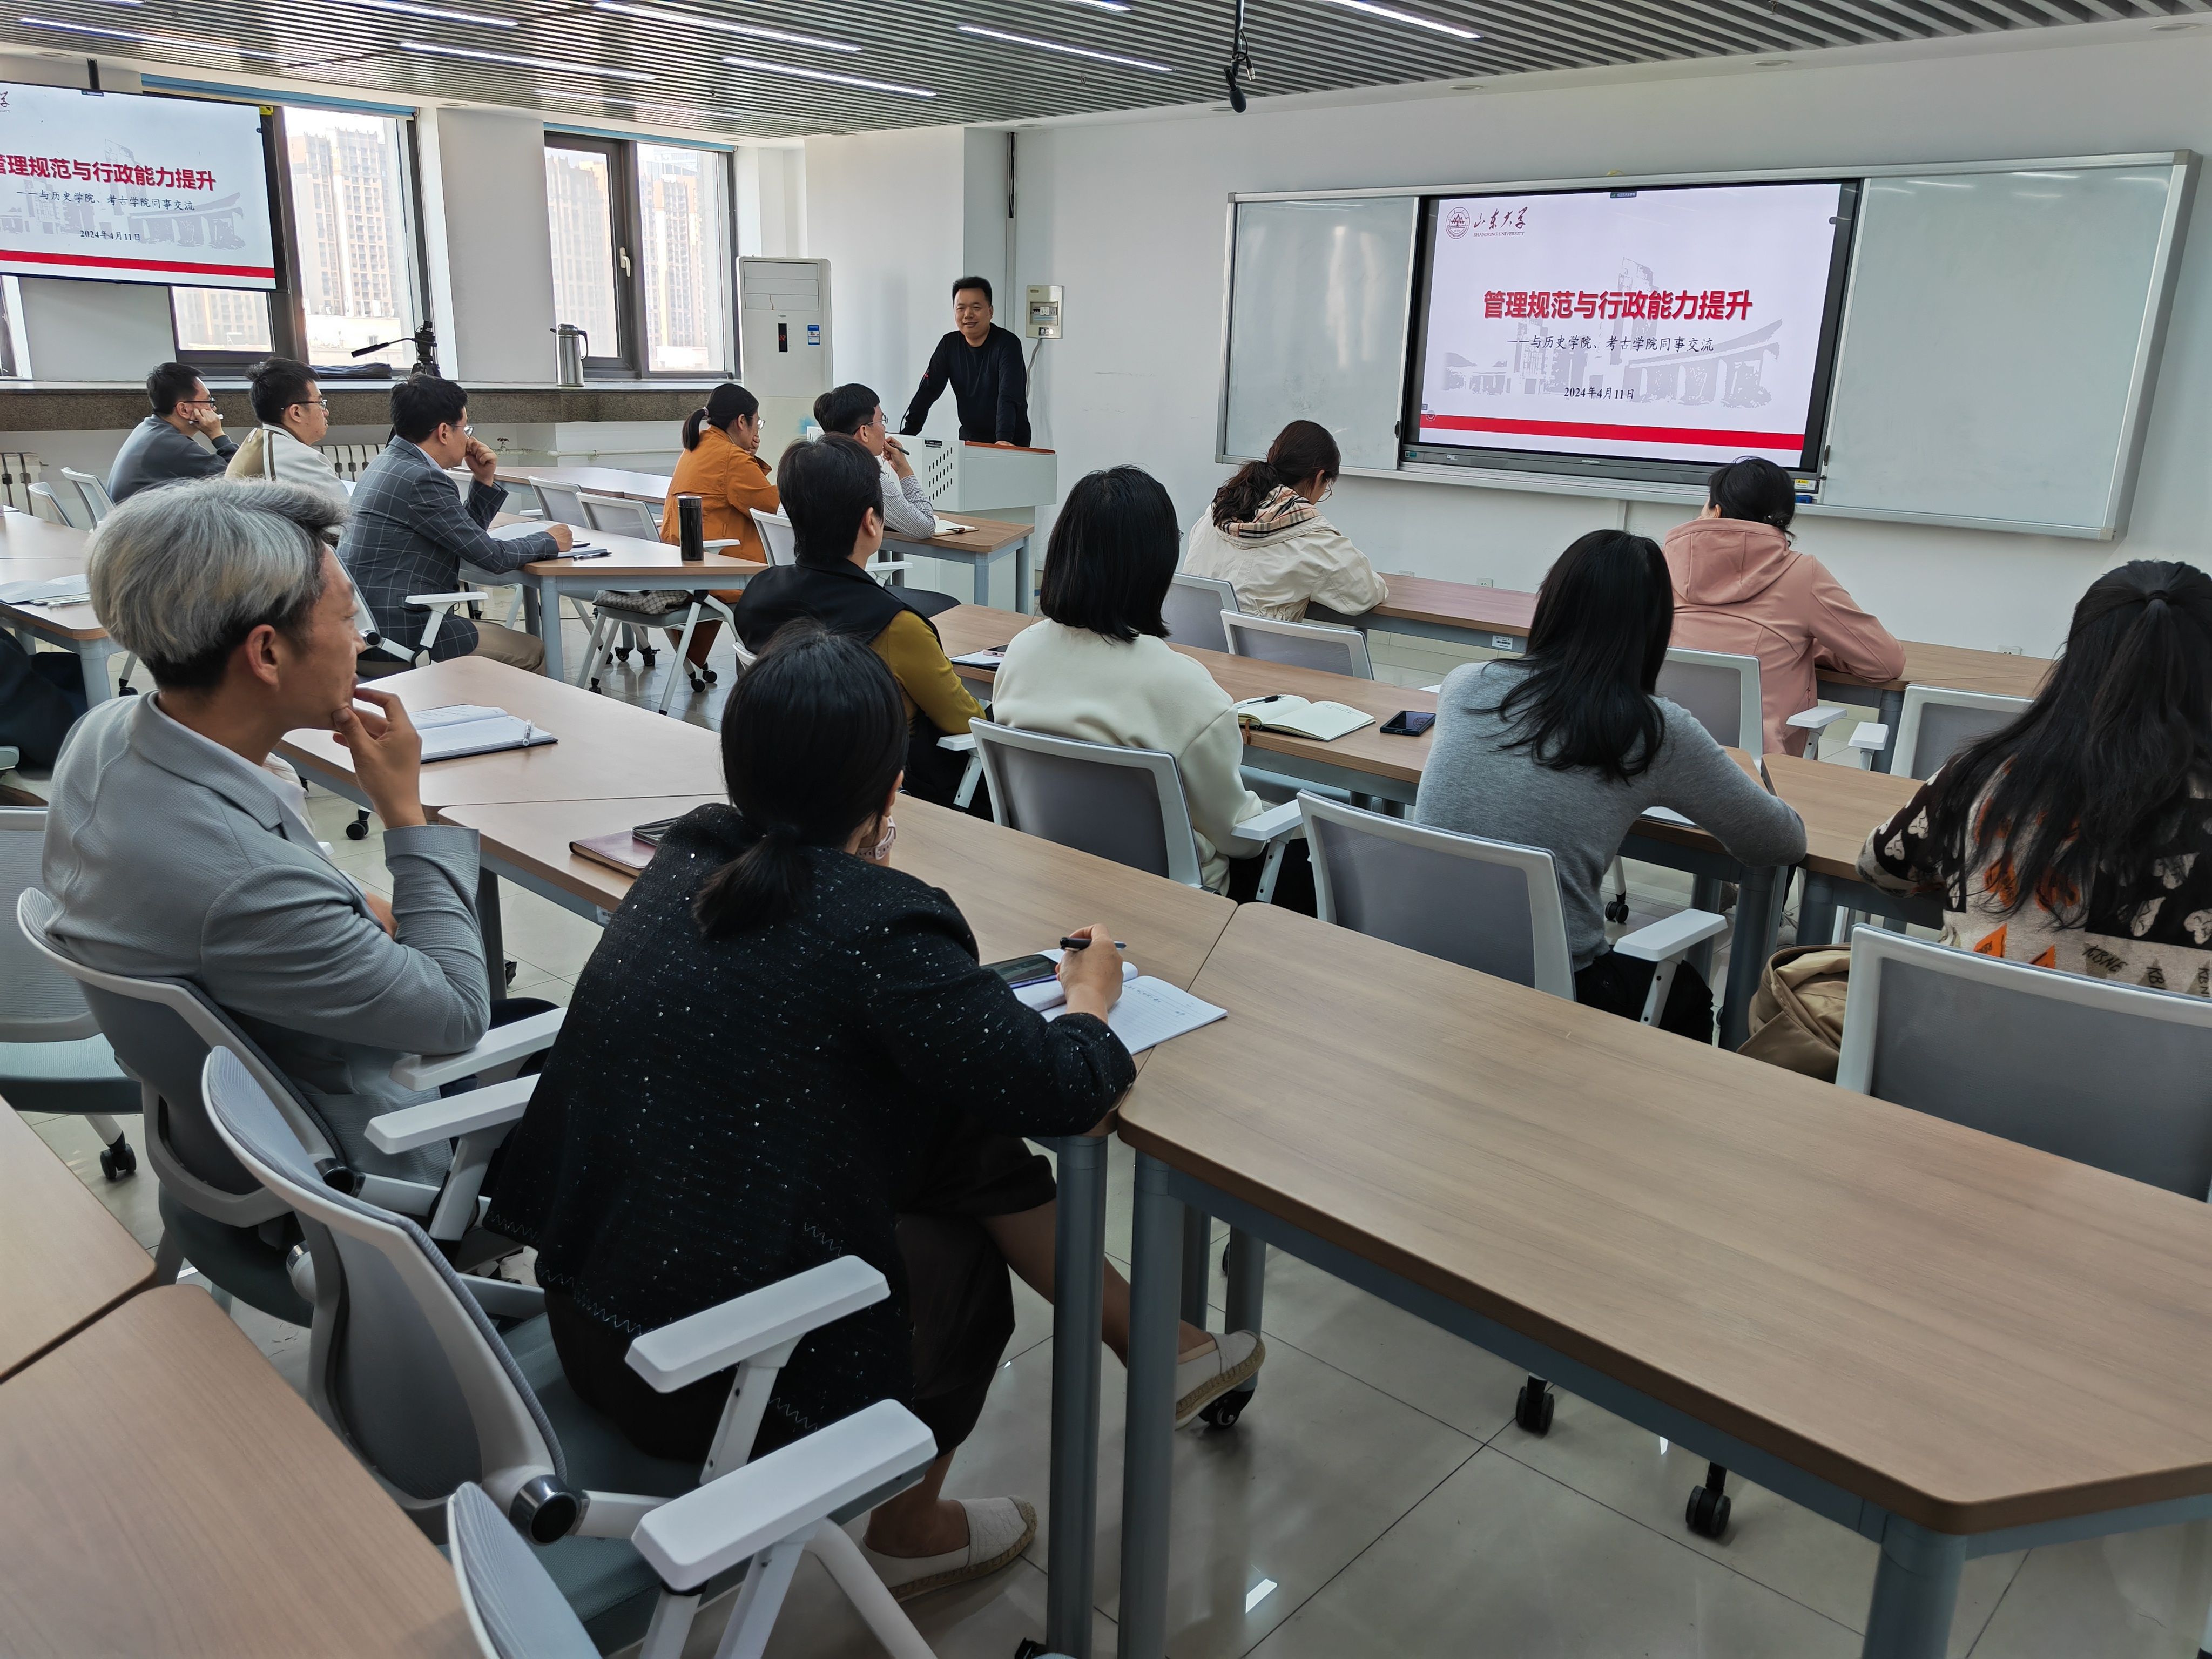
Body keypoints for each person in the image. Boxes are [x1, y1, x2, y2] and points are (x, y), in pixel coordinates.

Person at [483, 625, 1259, 1599]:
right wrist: (1091, 995)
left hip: (589, 1315)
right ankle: (910, 1526)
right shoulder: (878, 926)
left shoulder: (687, 855)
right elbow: (1068, 1089)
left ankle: (1157, 1342)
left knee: (953, 1123)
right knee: (960, 1254)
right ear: (892, 790)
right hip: (702, 1384)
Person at [38, 479, 547, 1182]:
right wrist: (404, 812)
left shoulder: (103, 735)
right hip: (368, 1150)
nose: (361, 640)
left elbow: (278, 897)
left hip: (240, 1121)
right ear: (267, 654)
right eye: (346, 619)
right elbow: (461, 1013)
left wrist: (343, 907)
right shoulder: (247, 883)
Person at [1415, 529, 1806, 1036]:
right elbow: (1779, 841)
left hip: (1423, 958)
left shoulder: (1465, 682)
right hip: (1556, 990)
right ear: (1653, 628)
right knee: (1685, 991)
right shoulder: (1652, 729)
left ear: (1550, 604)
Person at [1858, 561, 2212, 997]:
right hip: (2167, 1046)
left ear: (2076, 657)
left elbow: (1882, 869)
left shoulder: (1983, 775)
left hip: (1963, 1035)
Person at [993, 466, 1304, 903]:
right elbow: (1238, 836)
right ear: (1156, 564)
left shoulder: (1021, 652)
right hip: (1170, 902)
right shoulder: (1182, 687)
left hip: (1049, 879)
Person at [732, 435, 983, 806]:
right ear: (871, 522)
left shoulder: (757, 594)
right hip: (880, 795)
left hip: (785, 788)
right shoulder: (897, 626)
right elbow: (966, 723)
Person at [1663, 456, 1904, 758]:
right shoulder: (1801, 574)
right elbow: (1884, 663)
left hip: (1658, 754)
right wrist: (1804, 647)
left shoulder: (1658, 565)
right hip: (1758, 769)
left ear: (1716, 511)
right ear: (1783, 520)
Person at [340, 376, 569, 671]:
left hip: (368, 630)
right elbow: (493, 557)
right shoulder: (423, 479)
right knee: (534, 651)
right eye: (466, 429)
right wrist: (549, 541)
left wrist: (483, 480)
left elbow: (463, 540)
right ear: (445, 432)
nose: (469, 439)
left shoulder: (387, 464)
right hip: (403, 635)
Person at [1182, 420, 1388, 622]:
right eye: (1326, 488)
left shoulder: (1215, 513)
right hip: (1255, 646)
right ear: (1319, 477)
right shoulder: (1312, 538)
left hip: (1191, 640)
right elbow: (1365, 593)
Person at [648, 381, 781, 676]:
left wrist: (747, 456)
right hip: (716, 569)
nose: (757, 431)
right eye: (757, 423)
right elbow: (772, 506)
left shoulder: (697, 447)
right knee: (787, 582)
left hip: (682, 564)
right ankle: (765, 674)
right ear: (742, 421)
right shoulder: (731, 458)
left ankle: (697, 661)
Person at [899, 276, 1031, 448]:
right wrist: (907, 435)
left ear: (990, 311)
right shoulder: (949, 345)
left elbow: (1008, 395)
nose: (968, 315)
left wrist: (1004, 439)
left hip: (1011, 440)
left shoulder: (1007, 344)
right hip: (970, 438)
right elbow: (928, 390)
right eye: (961, 308)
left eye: (976, 308)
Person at [817, 381, 937, 539]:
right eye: (881, 421)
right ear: (864, 432)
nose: (884, 428)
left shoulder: (808, 465)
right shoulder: (866, 475)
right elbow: (925, 527)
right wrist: (904, 469)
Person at [106, 361, 236, 503]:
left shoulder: (147, 428)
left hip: (129, 515)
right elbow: (239, 479)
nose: (214, 409)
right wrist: (217, 435)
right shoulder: (176, 447)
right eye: (208, 401)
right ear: (184, 410)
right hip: (140, 517)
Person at [226, 357, 347, 505]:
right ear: (296, 413)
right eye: (320, 403)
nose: (326, 412)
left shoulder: (259, 441)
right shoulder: (297, 458)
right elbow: (347, 513)